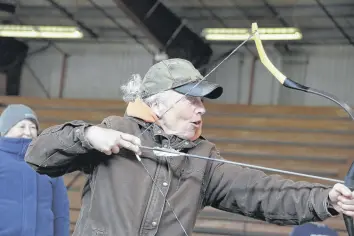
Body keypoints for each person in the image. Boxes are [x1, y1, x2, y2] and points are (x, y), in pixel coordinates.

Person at [25, 58, 354, 236]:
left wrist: (325, 199)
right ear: (160, 103)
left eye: (202, 100)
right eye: (193, 99)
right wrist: (87, 135)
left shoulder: (203, 157)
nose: (202, 108)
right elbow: (38, 156)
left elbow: (262, 192)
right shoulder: (116, 130)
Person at [0, 104, 70, 236]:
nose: (28, 132)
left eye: (33, 127)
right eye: (21, 126)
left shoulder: (49, 162)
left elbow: (61, 212)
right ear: (5, 129)